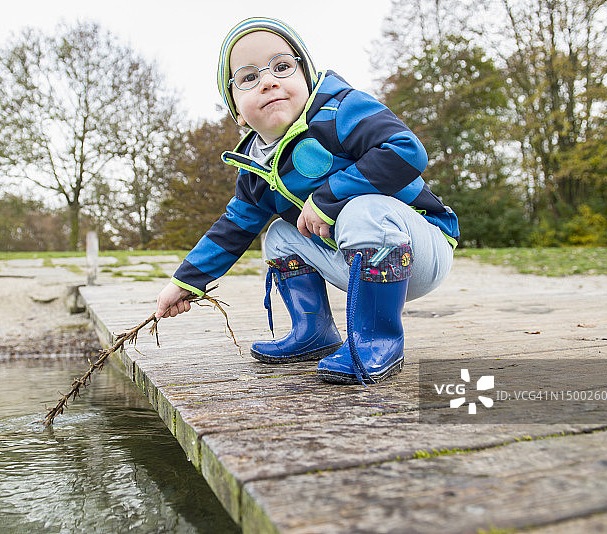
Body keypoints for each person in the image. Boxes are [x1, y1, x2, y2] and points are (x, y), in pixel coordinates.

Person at [155, 17, 459, 385]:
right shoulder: (255, 170)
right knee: (279, 235)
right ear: (236, 110)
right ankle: (313, 332)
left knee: (362, 209)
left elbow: (407, 151)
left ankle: (377, 341)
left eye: (281, 67)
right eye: (248, 78)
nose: (268, 81)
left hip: (421, 246)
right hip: (360, 267)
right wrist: (185, 282)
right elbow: (231, 230)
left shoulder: (340, 111)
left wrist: (327, 197)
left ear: (307, 79)